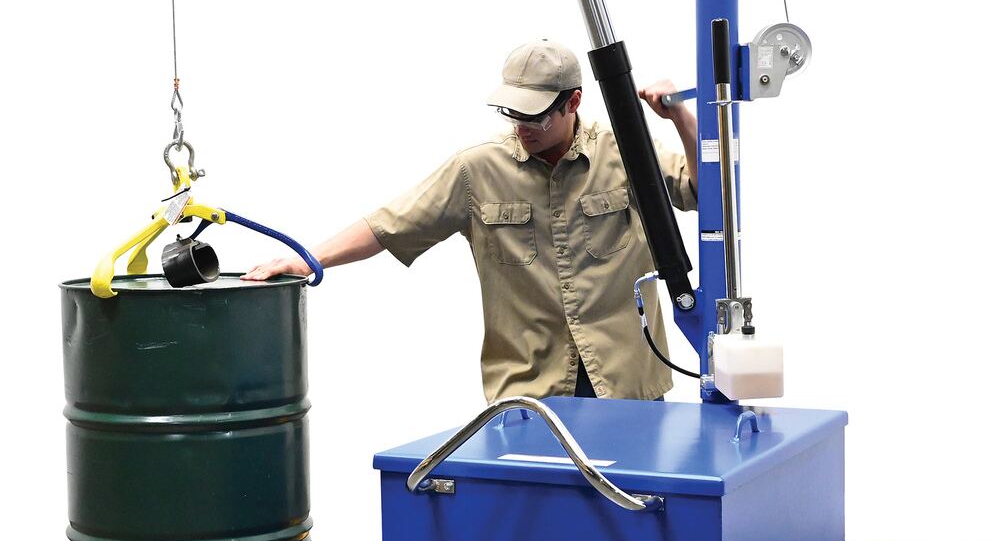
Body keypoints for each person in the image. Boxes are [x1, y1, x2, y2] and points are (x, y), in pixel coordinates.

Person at [246, 40, 698, 401]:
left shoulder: (625, 152)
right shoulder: (477, 171)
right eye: (512, 111)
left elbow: (700, 192)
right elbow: (390, 224)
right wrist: (307, 260)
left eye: (534, 114)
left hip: (628, 384)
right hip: (531, 395)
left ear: (573, 102)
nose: (521, 125)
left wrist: (680, 117)